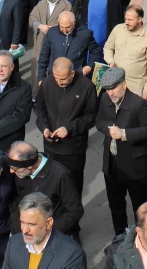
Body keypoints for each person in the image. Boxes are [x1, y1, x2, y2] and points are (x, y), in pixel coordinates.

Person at [96, 66, 147, 235]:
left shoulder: (139, 104)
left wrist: (123, 134)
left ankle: (143, 239)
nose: (111, 93)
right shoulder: (105, 100)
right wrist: (108, 129)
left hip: (135, 166)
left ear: (124, 84)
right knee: (116, 206)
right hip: (112, 165)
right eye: (107, 90)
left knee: (141, 208)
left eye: (114, 88)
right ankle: (121, 240)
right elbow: (99, 121)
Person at [34, 57, 97, 197]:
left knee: (72, 188)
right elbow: (39, 108)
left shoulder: (87, 87)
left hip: (73, 150)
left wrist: (69, 128)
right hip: (50, 147)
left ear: (72, 73)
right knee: (50, 187)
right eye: (56, 78)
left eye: (62, 79)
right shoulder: (48, 83)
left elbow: (91, 116)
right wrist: (44, 127)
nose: (58, 82)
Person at [6, 141, 84, 237]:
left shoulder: (60, 175)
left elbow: (75, 211)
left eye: (15, 169)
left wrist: (48, 232)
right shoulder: (21, 172)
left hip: (50, 234)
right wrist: (16, 222)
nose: (11, 171)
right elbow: (16, 198)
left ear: (29, 166)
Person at [0, 193, 87, 269]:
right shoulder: (14, 242)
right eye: (23, 222)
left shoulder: (72, 255)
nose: (25, 230)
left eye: (32, 224)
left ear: (49, 223)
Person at [103, 5, 147, 103]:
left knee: (133, 116)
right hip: (116, 83)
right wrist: (110, 61)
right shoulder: (118, 29)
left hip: (135, 87)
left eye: (130, 20)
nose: (127, 22)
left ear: (140, 19)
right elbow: (108, 48)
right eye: (126, 19)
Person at [28, 0, 72, 93]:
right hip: (41, 41)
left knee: (54, 67)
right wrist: (40, 26)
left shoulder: (66, 5)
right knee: (38, 66)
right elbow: (32, 18)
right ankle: (36, 95)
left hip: (57, 42)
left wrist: (53, 30)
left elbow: (69, 24)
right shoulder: (41, 4)